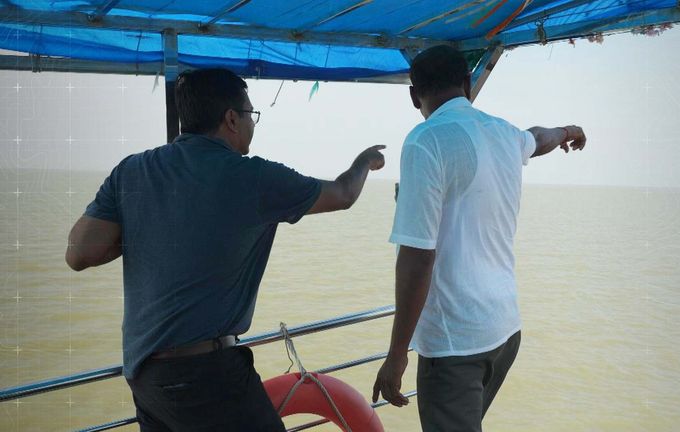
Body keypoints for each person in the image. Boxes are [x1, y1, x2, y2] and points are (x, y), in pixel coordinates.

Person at [65, 68, 385, 432]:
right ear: (231, 119)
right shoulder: (254, 177)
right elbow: (343, 194)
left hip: (145, 374)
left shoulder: (131, 171)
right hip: (208, 376)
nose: (253, 123)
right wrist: (365, 162)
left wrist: (146, 231)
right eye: (251, 114)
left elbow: (79, 253)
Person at [372, 45, 586, 432]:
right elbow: (539, 137)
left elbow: (418, 258)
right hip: (504, 331)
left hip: (457, 345)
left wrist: (397, 355)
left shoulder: (426, 141)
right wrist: (569, 131)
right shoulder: (504, 133)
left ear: (412, 94)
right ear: (468, 83)